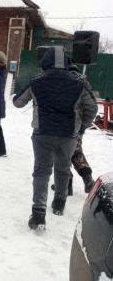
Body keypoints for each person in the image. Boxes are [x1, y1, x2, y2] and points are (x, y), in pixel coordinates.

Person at [13, 47, 97, 231]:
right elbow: (92, 108)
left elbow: (17, 102)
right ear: (66, 62)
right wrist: (81, 127)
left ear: (46, 62)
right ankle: (59, 202)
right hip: (68, 134)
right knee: (63, 167)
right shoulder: (78, 82)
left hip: (42, 133)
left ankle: (38, 214)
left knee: (42, 171)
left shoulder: (37, 81)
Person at [51, 64, 96, 195]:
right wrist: (82, 126)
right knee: (76, 153)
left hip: (62, 127)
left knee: (60, 154)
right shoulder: (84, 83)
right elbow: (92, 107)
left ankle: (66, 185)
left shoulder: (63, 83)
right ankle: (88, 179)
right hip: (77, 126)